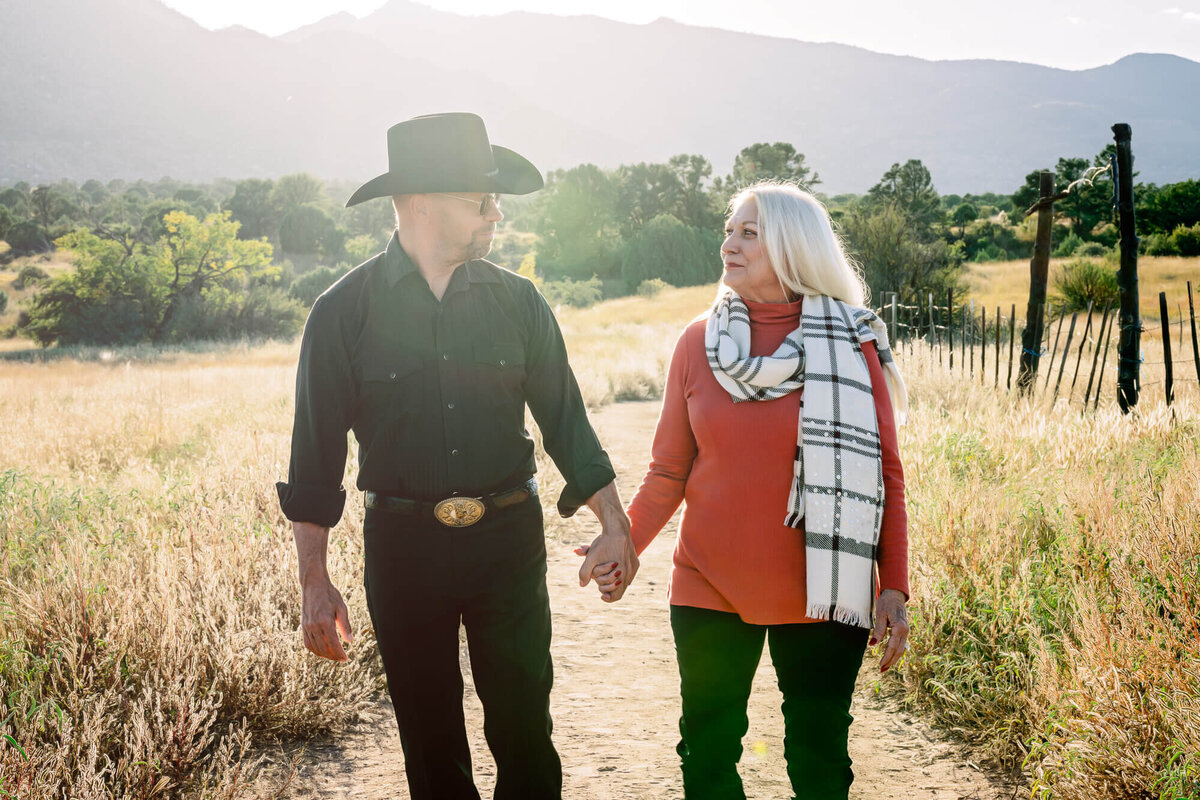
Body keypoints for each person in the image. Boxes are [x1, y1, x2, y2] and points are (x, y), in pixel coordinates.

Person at [275, 112, 638, 800]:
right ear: (418, 203)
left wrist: (613, 523)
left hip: (508, 541)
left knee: (527, 734)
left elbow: (569, 427)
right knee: (431, 746)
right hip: (402, 551)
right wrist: (314, 584)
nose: (496, 214)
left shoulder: (519, 303)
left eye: (495, 199)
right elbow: (313, 463)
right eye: (480, 200)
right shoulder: (341, 314)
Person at [583, 182, 910, 799]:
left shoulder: (853, 342)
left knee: (818, 763)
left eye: (748, 233)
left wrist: (894, 585)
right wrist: (622, 542)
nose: (729, 244)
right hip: (707, 581)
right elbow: (668, 474)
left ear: (791, 245)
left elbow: (886, 474)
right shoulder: (698, 343)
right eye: (728, 231)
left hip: (823, 586)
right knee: (706, 756)